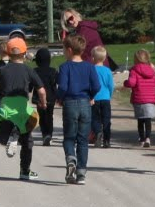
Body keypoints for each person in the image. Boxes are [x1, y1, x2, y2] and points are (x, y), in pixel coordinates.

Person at [0, 36, 43, 178]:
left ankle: (12, 134)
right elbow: (41, 90)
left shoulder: (2, 70)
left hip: (6, 106)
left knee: (4, 132)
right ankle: (25, 171)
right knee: (28, 140)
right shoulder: (28, 70)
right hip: (22, 108)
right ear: (24, 53)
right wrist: (43, 102)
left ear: (8, 53)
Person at [56, 35, 97, 185]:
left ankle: (71, 159)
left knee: (69, 137)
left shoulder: (64, 67)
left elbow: (63, 87)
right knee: (83, 140)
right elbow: (97, 85)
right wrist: (91, 96)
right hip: (85, 103)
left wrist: (59, 98)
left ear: (69, 50)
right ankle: (81, 173)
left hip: (70, 104)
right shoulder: (89, 67)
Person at [125, 49, 155, 146]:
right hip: (150, 99)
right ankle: (148, 138)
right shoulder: (152, 71)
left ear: (136, 59)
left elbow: (132, 83)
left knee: (140, 120)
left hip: (139, 98)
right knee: (148, 120)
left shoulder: (134, 70)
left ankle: (142, 138)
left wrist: (125, 83)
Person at [32, 46, 59, 157]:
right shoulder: (53, 71)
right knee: (50, 115)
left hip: (39, 97)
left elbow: (31, 84)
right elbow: (56, 83)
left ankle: (44, 134)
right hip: (51, 97)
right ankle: (49, 134)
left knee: (42, 116)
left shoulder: (35, 71)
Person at [90, 45, 115, 148]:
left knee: (95, 118)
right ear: (104, 58)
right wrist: (110, 94)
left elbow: (89, 84)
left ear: (93, 58)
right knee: (106, 119)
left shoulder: (91, 69)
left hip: (94, 98)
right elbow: (111, 85)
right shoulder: (107, 71)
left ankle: (97, 133)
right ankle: (107, 140)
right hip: (105, 98)